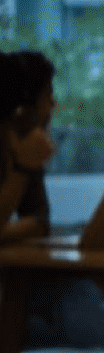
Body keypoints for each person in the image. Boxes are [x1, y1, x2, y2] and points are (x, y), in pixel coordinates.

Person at [0, 50, 55, 243]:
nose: (53, 105)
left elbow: (39, 222)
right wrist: (23, 169)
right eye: (47, 94)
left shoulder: (25, 144)